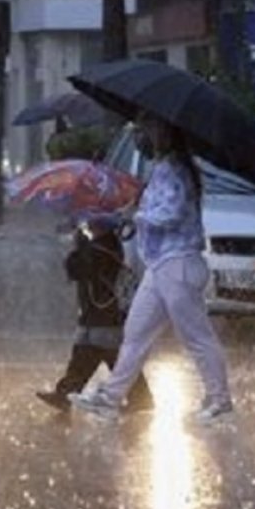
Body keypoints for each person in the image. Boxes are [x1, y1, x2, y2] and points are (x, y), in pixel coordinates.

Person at [71, 116, 234, 421]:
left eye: (149, 130)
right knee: (135, 333)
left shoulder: (175, 169)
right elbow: (153, 211)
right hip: (160, 265)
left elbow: (171, 214)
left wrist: (137, 217)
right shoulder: (163, 168)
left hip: (178, 264)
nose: (143, 136)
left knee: (197, 336)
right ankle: (111, 397)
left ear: (165, 134)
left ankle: (220, 401)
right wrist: (133, 213)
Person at [35, 215, 153, 413]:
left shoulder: (103, 249)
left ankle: (140, 397)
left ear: (101, 228)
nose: (90, 226)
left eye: (93, 224)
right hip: (96, 313)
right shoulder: (104, 246)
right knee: (84, 355)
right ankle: (64, 394)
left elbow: (77, 269)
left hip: (104, 314)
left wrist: (80, 247)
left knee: (112, 357)